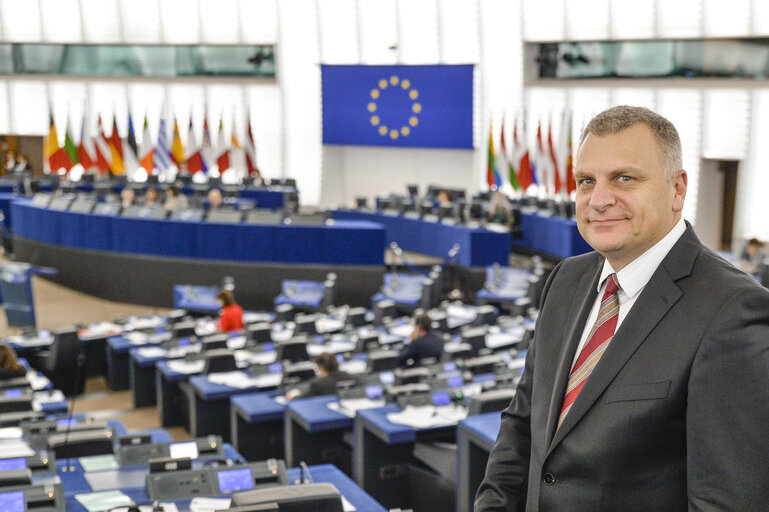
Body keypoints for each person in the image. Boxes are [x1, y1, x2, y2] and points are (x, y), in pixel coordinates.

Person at [475, 106, 769, 511]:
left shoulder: (732, 311)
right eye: (586, 181)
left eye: (624, 178)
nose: (598, 200)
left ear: (678, 189)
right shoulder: (566, 281)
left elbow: (727, 502)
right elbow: (522, 426)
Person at [287, 353, 358, 400]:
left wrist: (293, 396)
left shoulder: (318, 384)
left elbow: (303, 398)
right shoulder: (352, 377)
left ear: (321, 368)